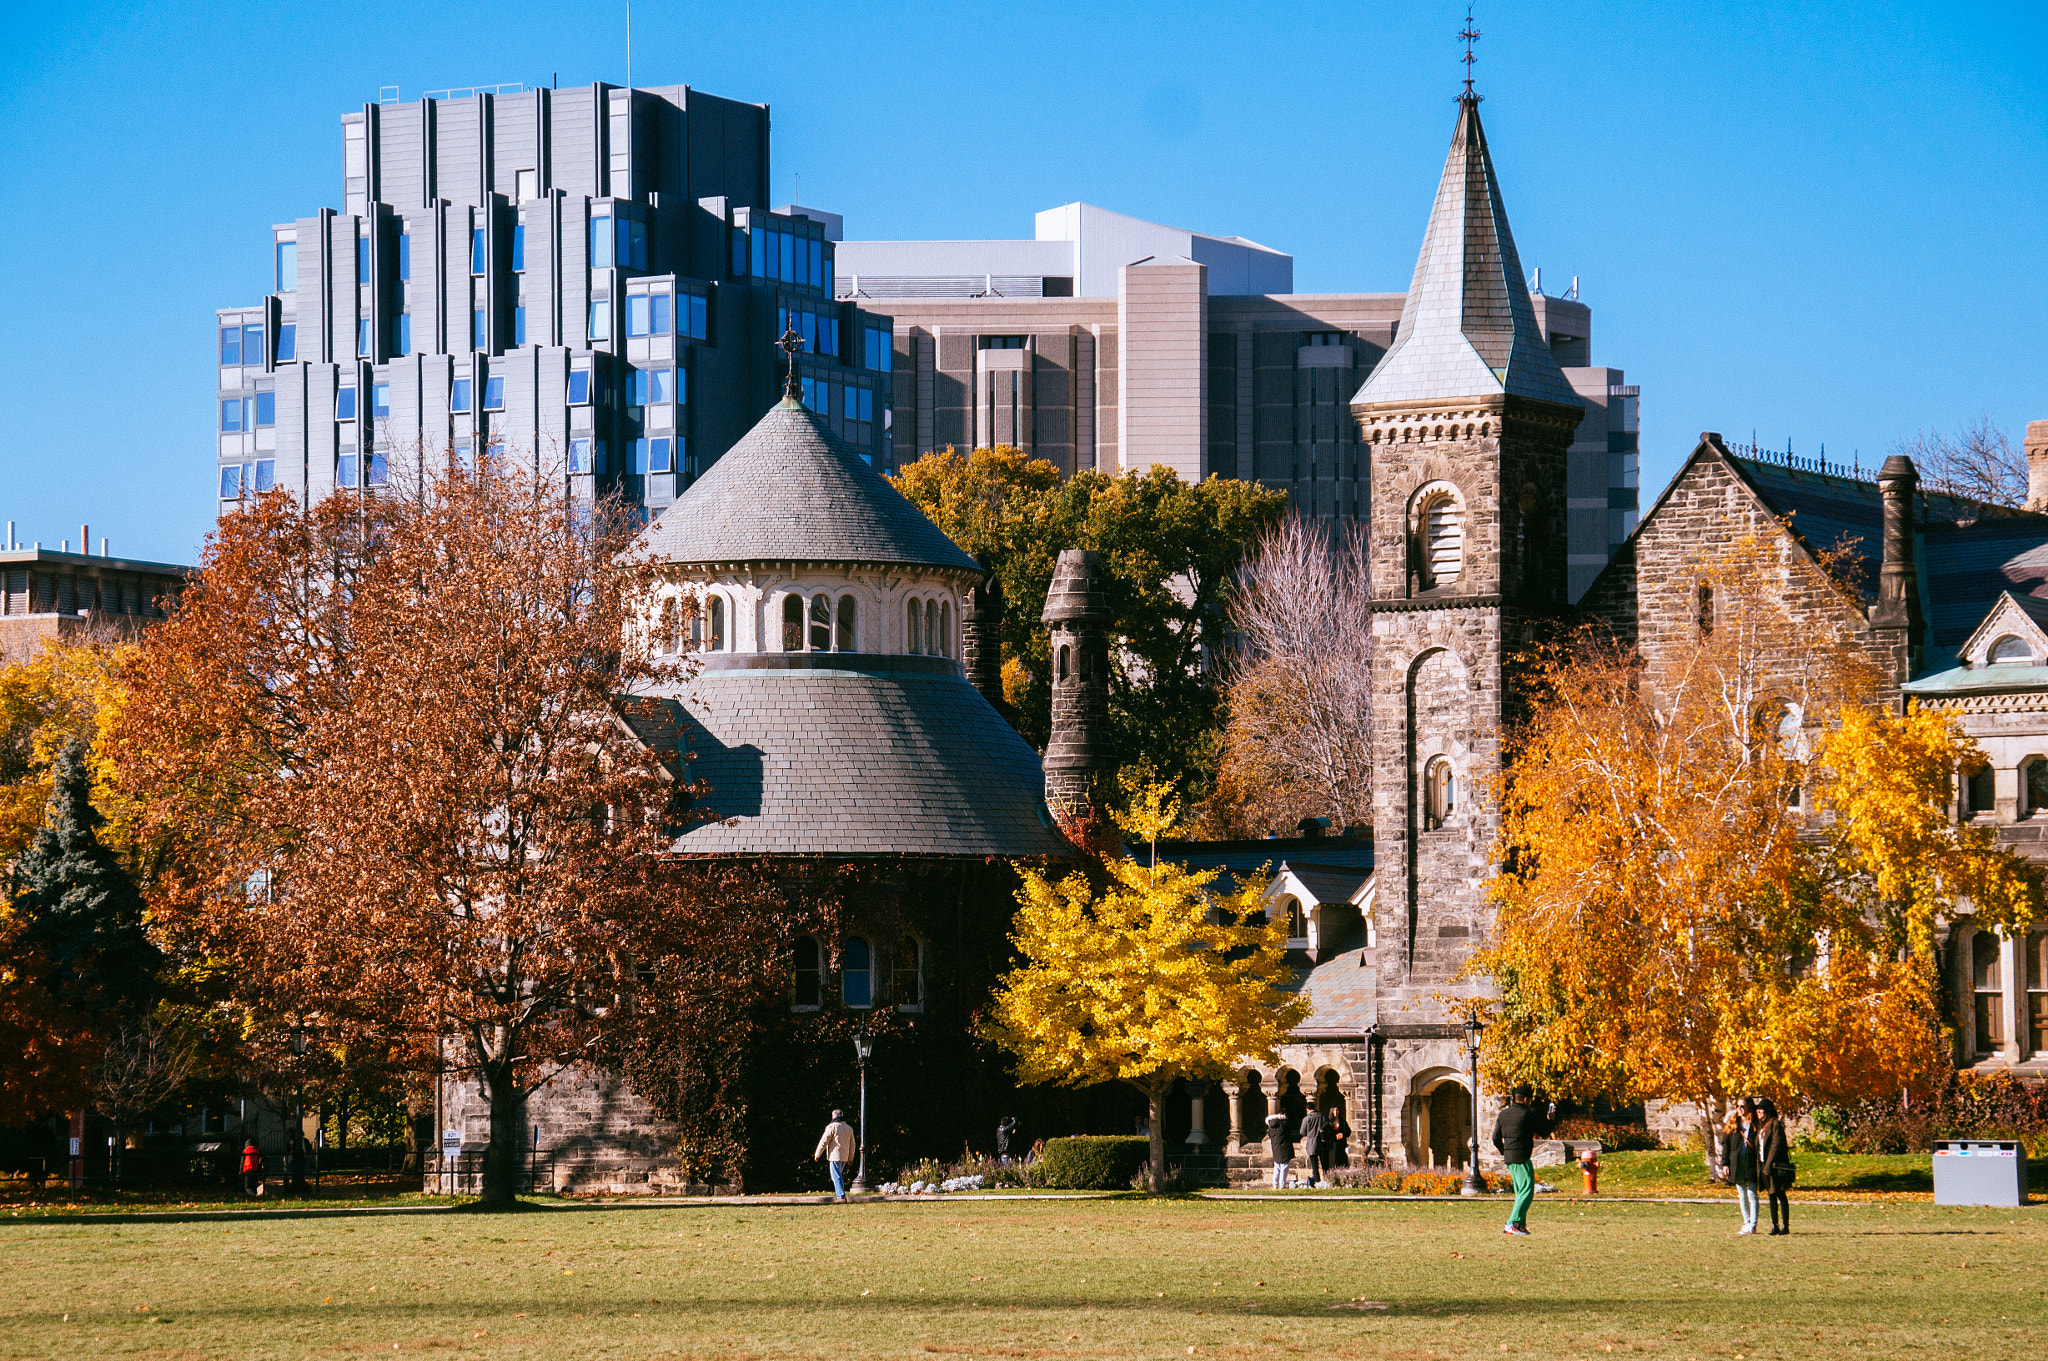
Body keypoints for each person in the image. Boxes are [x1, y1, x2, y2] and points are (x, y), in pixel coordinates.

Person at [1491, 1084, 1556, 1236]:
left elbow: (1495, 1138)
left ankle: (1520, 1224)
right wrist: (1550, 1119)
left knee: (1521, 1192)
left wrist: (1505, 1151)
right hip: (1522, 1158)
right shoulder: (1528, 1114)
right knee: (1527, 1190)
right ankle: (1512, 1223)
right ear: (1526, 1099)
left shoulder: (1503, 1114)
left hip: (1510, 1158)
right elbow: (1544, 1131)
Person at [1720, 1097, 1761, 1235]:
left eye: (1742, 1106)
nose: (1740, 1109)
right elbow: (1726, 1146)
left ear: (1749, 1107)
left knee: (1752, 1193)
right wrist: (1725, 1163)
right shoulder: (1733, 1123)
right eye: (1737, 1106)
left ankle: (1753, 1225)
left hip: (1751, 1163)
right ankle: (1747, 1222)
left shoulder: (1756, 1124)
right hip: (1737, 1163)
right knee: (1742, 1195)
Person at [1755, 1097, 1794, 1236]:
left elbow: (1776, 1146)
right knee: (1771, 1195)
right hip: (1764, 1164)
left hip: (1775, 1166)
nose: (1759, 1112)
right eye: (1758, 1110)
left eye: (1761, 1110)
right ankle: (1774, 1225)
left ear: (1768, 1111)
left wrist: (1769, 1164)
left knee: (1780, 1194)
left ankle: (1785, 1225)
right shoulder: (1761, 1127)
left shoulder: (1775, 1124)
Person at [813, 1109, 857, 1202]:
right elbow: (853, 1144)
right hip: (845, 1156)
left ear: (833, 1117)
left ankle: (841, 1196)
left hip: (834, 1155)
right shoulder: (848, 1128)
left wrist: (817, 1154)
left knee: (836, 1176)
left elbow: (824, 1141)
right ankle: (840, 1194)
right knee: (838, 1175)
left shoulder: (831, 1127)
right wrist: (851, 1158)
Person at [1264, 1112, 1294, 1188]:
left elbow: (1270, 1135)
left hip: (1275, 1147)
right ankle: (1282, 1184)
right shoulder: (1284, 1124)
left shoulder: (1270, 1126)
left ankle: (1275, 1184)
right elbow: (1289, 1131)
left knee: (1277, 1166)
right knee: (1284, 1166)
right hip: (1285, 1147)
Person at [1297, 1108, 1324, 1187]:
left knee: (1314, 1163)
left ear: (1307, 1109)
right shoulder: (1321, 1116)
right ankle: (1326, 1179)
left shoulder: (1307, 1119)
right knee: (1324, 1163)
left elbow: (1302, 1132)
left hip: (1312, 1143)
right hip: (1322, 1142)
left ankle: (1317, 1180)